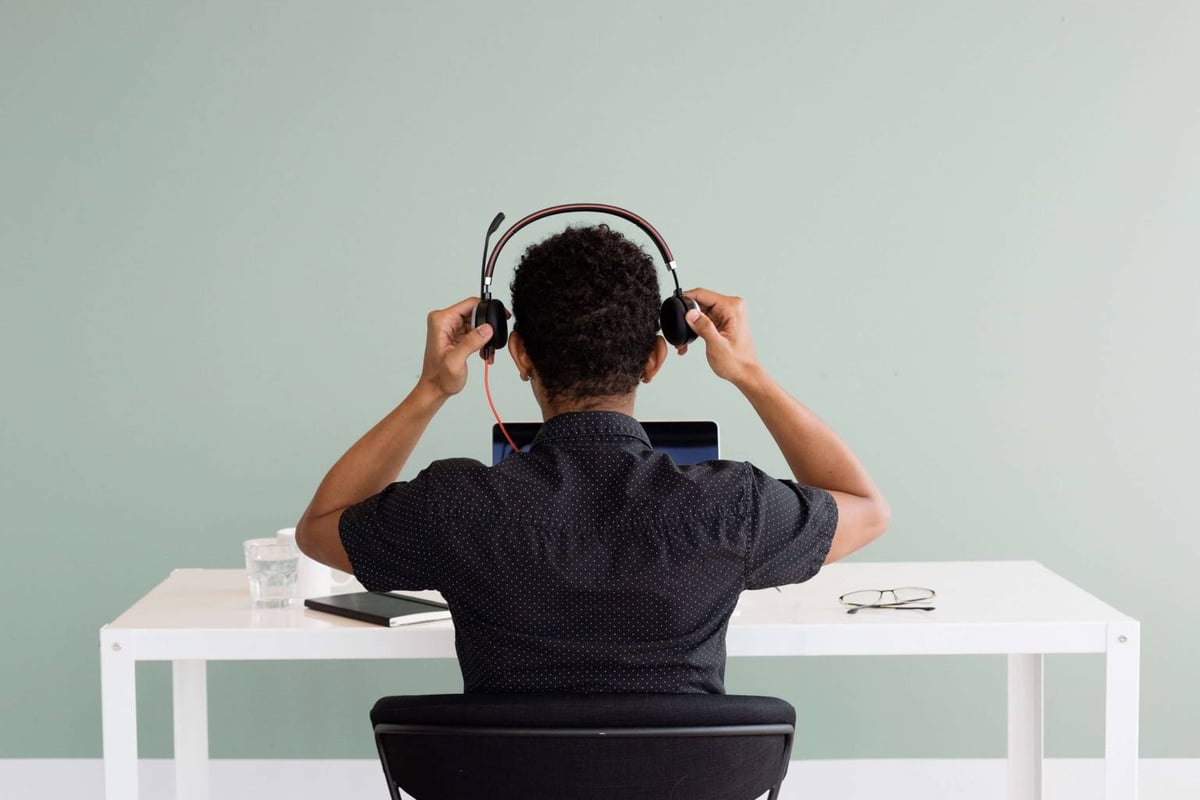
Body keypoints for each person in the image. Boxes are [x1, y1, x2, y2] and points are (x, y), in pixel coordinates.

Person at [295, 225, 889, 693]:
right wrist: (751, 375)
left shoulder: (455, 505)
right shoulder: (733, 507)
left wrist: (431, 388)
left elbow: (320, 528)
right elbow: (867, 509)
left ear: (518, 352)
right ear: (656, 359)